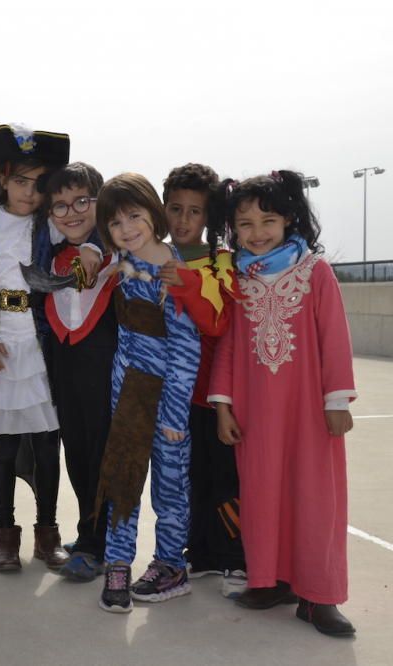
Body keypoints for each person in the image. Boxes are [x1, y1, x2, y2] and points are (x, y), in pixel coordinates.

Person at [207, 170, 357, 637]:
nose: (257, 233)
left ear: (289, 219)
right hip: (255, 415)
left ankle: (318, 596)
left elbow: (333, 338)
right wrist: (224, 407)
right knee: (261, 497)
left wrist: (337, 400)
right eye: (245, 225)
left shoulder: (315, 272)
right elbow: (229, 346)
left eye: (267, 221)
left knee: (315, 499)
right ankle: (270, 581)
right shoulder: (237, 278)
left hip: (310, 413)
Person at [0, 124, 72, 572]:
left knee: (48, 446)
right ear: (2, 178)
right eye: (20, 181)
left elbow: (71, 276)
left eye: (39, 183)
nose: (29, 193)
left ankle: (49, 534)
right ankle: (4, 536)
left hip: (43, 344)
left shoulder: (54, 224)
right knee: (4, 448)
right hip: (2, 347)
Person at [92, 173, 200, 613]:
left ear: (154, 215)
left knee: (171, 487)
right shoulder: (121, 265)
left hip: (167, 398)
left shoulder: (177, 272)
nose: (127, 229)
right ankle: (117, 564)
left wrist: (175, 415)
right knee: (123, 478)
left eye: (134, 217)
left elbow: (187, 348)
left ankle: (171, 565)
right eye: (116, 223)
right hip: (127, 396)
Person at [158, 163, 246, 598]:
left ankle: (235, 558)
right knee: (189, 477)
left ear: (208, 218)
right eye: (175, 209)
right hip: (177, 396)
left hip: (219, 395)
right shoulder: (153, 256)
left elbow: (219, 322)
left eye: (195, 211)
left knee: (226, 478)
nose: (183, 220)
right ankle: (202, 553)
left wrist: (186, 283)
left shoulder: (223, 262)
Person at [36, 162, 119, 582]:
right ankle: (89, 532)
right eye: (60, 206)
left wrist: (100, 247)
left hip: (105, 374)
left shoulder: (116, 257)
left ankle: (96, 544)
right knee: (78, 455)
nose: (71, 212)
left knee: (103, 457)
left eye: (81, 201)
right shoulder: (51, 261)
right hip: (66, 372)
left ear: (98, 203)